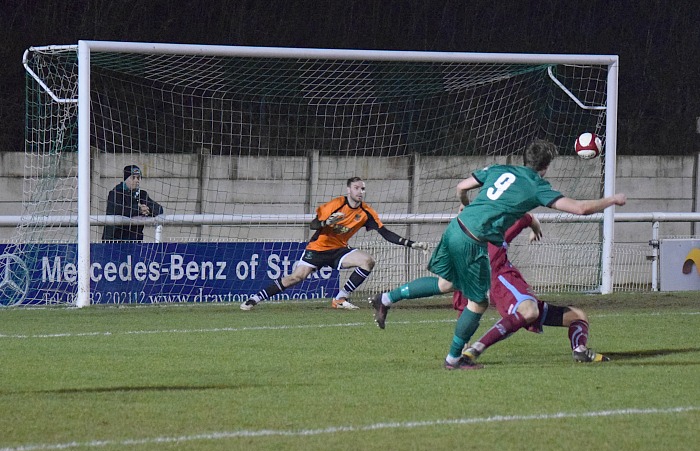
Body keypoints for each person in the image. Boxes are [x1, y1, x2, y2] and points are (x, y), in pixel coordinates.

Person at [368, 139, 626, 370]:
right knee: (478, 302)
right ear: (545, 167)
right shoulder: (537, 185)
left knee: (447, 283)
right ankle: (454, 360)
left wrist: (468, 206)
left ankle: (386, 298)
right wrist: (612, 199)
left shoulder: (500, 168)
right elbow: (580, 209)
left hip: (456, 227)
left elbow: (461, 187)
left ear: (525, 159)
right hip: (473, 239)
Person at [240, 176, 429, 311]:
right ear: (349, 190)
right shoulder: (335, 205)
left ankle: (340, 298)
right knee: (295, 278)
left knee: (368, 261)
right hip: (318, 248)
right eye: (357, 188)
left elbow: (385, 233)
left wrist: (410, 244)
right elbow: (314, 224)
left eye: (363, 188)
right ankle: (255, 298)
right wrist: (327, 223)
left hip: (339, 250)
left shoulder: (366, 212)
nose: (360, 191)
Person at [453, 212, 609, 364]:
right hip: (506, 284)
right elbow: (528, 217)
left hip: (509, 289)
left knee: (578, 316)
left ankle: (579, 350)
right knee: (529, 311)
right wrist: (535, 229)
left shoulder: (465, 252)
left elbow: (464, 303)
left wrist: (462, 339)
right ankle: (476, 349)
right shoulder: (492, 238)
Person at [102, 165, 164, 242]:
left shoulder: (142, 194)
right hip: (115, 240)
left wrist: (149, 209)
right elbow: (120, 210)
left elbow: (159, 209)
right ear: (126, 179)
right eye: (133, 178)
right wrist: (139, 210)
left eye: (138, 178)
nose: (136, 180)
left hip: (135, 240)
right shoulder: (115, 193)